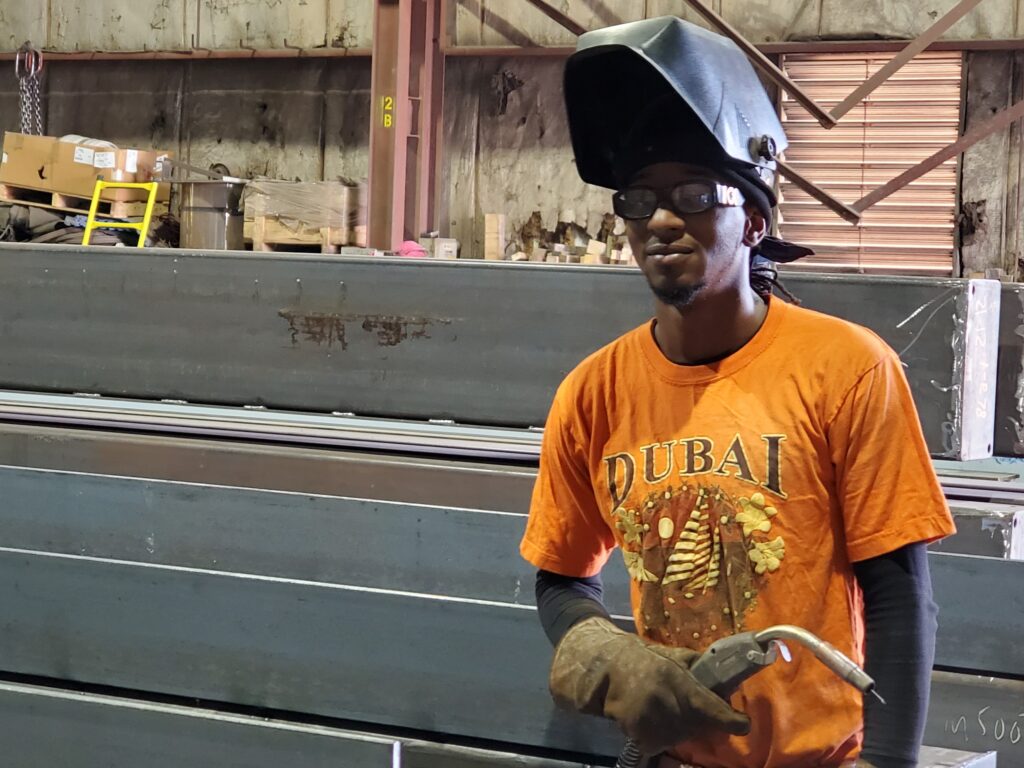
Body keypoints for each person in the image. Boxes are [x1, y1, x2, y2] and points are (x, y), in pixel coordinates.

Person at [519, 16, 955, 768]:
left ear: (752, 219)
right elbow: (561, 576)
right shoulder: (593, 393)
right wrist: (598, 644)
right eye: (637, 200)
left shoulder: (846, 369)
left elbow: (898, 597)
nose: (660, 220)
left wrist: (889, 764)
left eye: (692, 194)